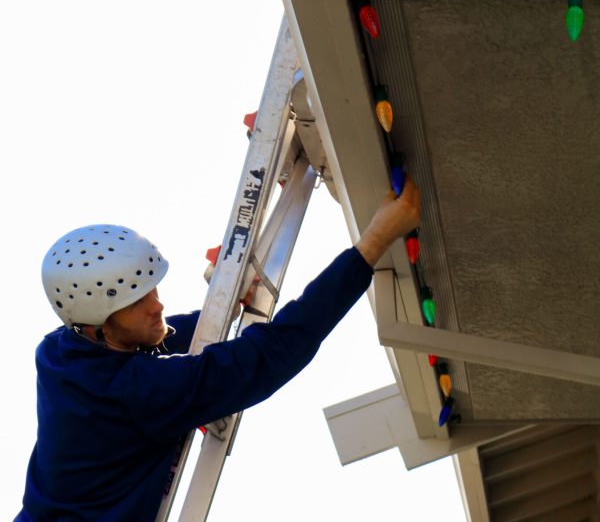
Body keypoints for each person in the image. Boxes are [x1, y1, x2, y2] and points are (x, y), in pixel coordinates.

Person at [16, 179, 420, 521]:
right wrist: (371, 245)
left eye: (151, 290)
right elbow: (273, 353)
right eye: (137, 303)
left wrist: (221, 309)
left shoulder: (60, 351)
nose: (157, 306)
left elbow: (151, 343)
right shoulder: (136, 395)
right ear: (99, 323)